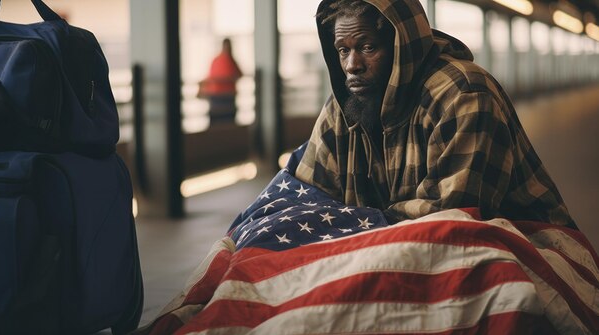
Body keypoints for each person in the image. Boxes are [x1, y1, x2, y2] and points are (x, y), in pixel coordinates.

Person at [295, 0, 577, 228]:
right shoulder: (344, 106)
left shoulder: (463, 94)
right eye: (343, 50)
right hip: (395, 243)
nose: (352, 65)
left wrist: (357, 223)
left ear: (401, 46)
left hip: (528, 249)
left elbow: (454, 215)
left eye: (368, 47)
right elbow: (307, 194)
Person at [198, 38, 243, 125]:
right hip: (221, 97)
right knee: (224, 122)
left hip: (220, 97)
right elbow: (239, 74)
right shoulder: (226, 60)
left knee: (220, 122)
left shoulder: (222, 60)